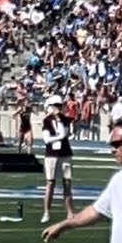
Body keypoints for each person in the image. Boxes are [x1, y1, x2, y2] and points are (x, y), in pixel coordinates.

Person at [41, 95, 75, 225]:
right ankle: (46, 212)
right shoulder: (47, 121)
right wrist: (58, 137)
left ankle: (70, 212)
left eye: (60, 106)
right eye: (56, 106)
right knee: (50, 183)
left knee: (67, 183)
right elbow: (46, 139)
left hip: (65, 153)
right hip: (51, 154)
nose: (58, 108)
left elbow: (64, 133)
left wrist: (59, 122)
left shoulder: (65, 120)